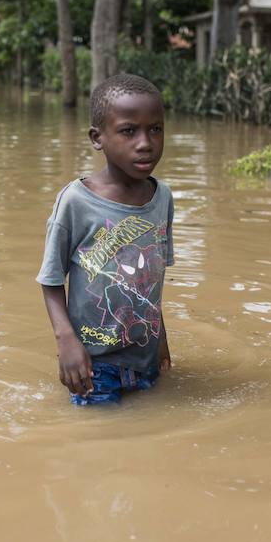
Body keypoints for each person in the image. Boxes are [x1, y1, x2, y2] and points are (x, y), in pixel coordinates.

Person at [37, 74, 174, 405]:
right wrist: (66, 341)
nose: (145, 142)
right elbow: (51, 280)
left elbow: (151, 281)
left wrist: (162, 341)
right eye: (129, 131)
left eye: (155, 129)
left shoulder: (162, 197)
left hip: (144, 356)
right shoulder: (76, 202)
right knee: (100, 444)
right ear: (97, 138)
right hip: (93, 362)